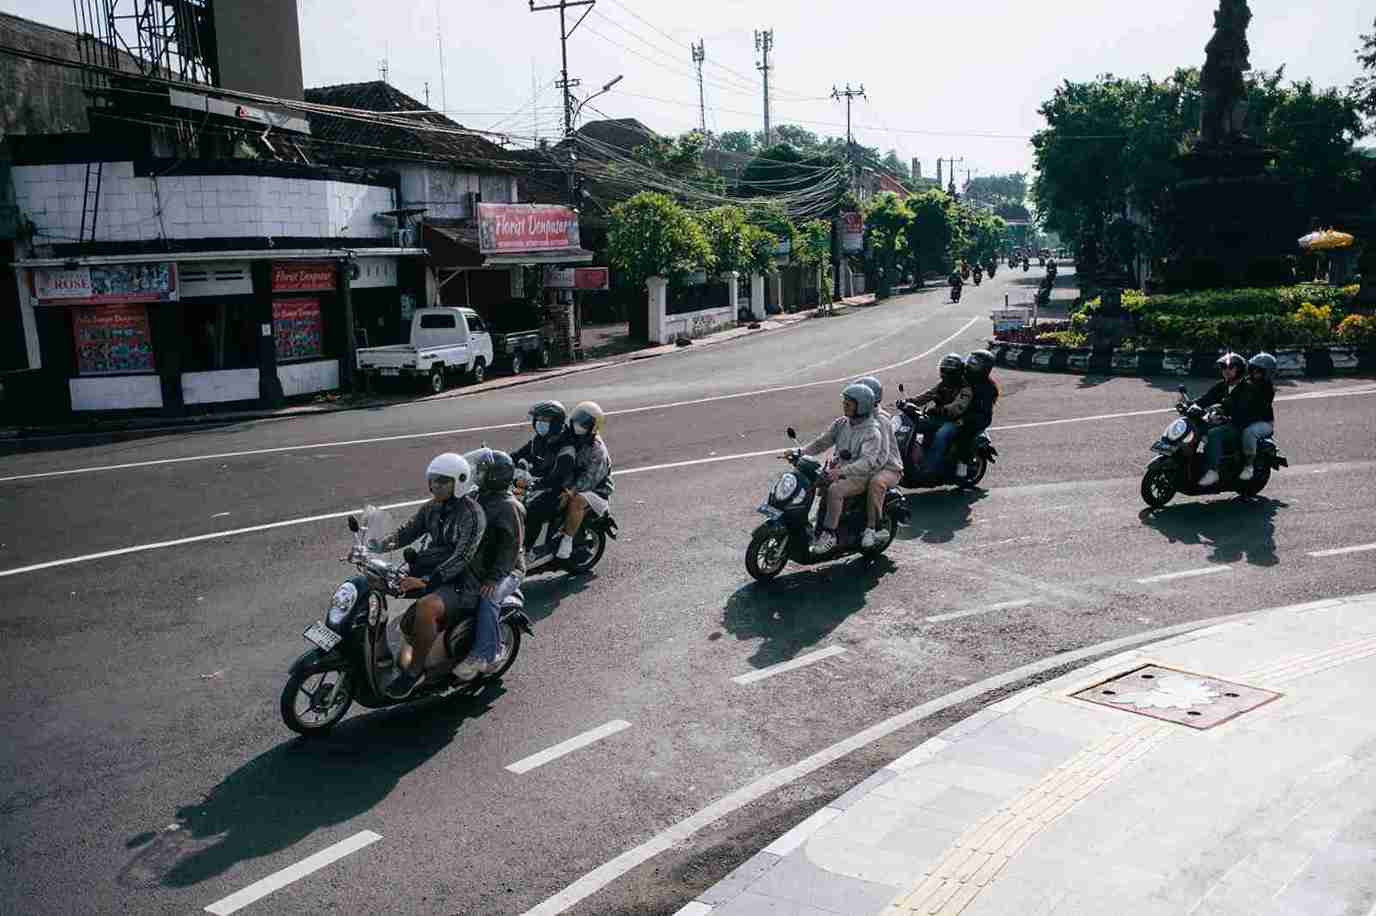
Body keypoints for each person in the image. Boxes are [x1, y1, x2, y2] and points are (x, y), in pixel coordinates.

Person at [379, 453, 486, 698]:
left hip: (463, 582)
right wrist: (376, 545)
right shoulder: (433, 507)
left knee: (426, 607)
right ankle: (380, 650)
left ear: (459, 482)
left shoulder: (472, 513)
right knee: (377, 582)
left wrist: (425, 582)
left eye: (442, 481)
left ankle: (413, 673)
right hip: (432, 571)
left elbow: (462, 558)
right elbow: (407, 532)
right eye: (433, 480)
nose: (434, 485)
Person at [453, 448, 525, 680]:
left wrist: (495, 578)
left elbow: (511, 549)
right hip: (479, 564)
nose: (477, 473)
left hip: (507, 571)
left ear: (494, 476)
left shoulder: (508, 507)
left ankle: (487, 654)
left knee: (488, 597)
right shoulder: (477, 496)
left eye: (483, 471)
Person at [795, 383, 886, 555]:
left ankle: (830, 534)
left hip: (860, 476)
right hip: (837, 470)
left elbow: (867, 462)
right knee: (810, 479)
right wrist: (800, 452)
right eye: (844, 402)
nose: (844, 406)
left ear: (862, 406)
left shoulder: (872, 432)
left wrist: (842, 471)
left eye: (849, 403)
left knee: (835, 490)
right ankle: (815, 520)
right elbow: (822, 442)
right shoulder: (842, 423)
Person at [553, 401, 614, 561]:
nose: (579, 424)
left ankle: (567, 541)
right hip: (573, 483)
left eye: (584, 422)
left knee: (577, 500)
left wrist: (570, 490)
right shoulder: (571, 436)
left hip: (596, 491)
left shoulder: (597, 450)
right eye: (578, 419)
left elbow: (590, 479)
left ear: (593, 427)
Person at [516, 400, 577, 553]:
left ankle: (525, 551)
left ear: (556, 423)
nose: (539, 423)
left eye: (545, 420)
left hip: (560, 490)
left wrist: (532, 485)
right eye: (538, 420)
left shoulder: (566, 448)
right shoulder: (540, 440)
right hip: (539, 485)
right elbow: (518, 455)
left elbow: (556, 479)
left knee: (532, 511)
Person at [902, 354, 972, 476]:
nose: (944, 373)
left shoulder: (965, 388)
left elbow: (958, 407)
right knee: (914, 425)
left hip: (955, 421)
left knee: (941, 435)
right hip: (938, 418)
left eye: (948, 370)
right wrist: (909, 401)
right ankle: (913, 459)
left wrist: (940, 410)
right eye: (943, 370)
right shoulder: (943, 385)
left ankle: (930, 467)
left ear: (957, 372)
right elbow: (927, 395)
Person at [853, 376, 903, 549]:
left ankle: (872, 528)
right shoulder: (855, 418)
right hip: (865, 463)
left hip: (888, 467)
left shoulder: (881, 420)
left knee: (876, 482)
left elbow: (881, 454)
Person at [1195, 352, 1250, 488]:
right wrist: (1190, 405)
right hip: (1223, 421)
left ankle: (1213, 471)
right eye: (1223, 368)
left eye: (1230, 367)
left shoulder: (1247, 388)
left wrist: (1225, 415)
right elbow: (1205, 399)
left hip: (1239, 426)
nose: (1226, 371)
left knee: (1214, 433)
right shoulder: (1222, 386)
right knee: (1195, 425)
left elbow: (1245, 411)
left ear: (1239, 370)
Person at [951, 350, 999, 478]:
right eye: (971, 360)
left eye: (975, 362)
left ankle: (962, 465)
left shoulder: (988, 387)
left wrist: (964, 418)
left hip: (978, 417)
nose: (970, 364)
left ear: (985, 367)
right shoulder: (964, 377)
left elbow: (981, 409)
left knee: (963, 435)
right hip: (959, 413)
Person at [1236, 352, 1277, 481]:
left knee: (1249, 433)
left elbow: (1255, 408)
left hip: (1263, 423)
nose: (1255, 373)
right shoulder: (1246, 383)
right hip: (1245, 419)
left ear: (1267, 373)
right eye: (1253, 369)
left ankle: (1248, 466)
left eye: (1259, 371)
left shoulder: (1267, 388)